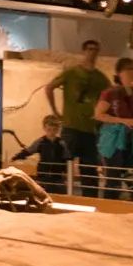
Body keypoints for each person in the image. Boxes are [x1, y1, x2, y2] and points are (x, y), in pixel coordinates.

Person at [46, 40, 109, 198]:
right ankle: (54, 197)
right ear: (83, 51)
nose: (92, 52)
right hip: (71, 127)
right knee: (61, 164)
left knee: (89, 171)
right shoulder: (71, 72)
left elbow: (110, 97)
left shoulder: (101, 79)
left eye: (95, 49)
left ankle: (91, 203)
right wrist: (56, 112)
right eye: (89, 49)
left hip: (90, 130)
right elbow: (49, 88)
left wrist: (102, 119)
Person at [95, 57, 133, 202]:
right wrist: (123, 121)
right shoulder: (110, 93)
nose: (132, 72)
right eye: (128, 69)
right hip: (114, 140)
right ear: (119, 73)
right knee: (113, 178)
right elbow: (99, 114)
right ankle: (110, 211)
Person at [9, 115, 71, 195]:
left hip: (57, 176)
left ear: (58, 130)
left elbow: (67, 158)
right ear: (44, 129)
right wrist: (16, 157)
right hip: (43, 176)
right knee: (41, 194)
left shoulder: (61, 143)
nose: (51, 132)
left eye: (54, 130)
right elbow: (29, 151)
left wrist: (66, 171)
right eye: (49, 130)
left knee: (59, 195)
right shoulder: (40, 142)